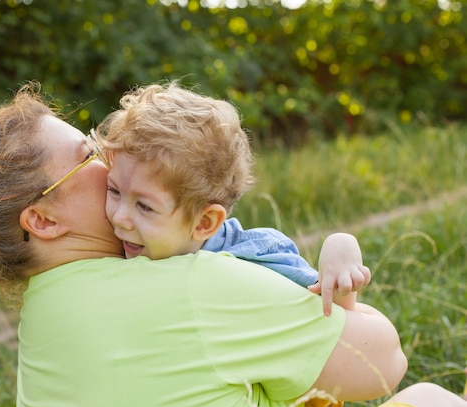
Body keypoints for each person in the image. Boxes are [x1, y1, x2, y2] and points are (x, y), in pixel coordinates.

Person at [0, 82, 464, 407]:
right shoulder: (190, 286)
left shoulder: (44, 318)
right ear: (44, 220)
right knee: (433, 402)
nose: (108, 165)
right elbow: (382, 362)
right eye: (88, 157)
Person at [98, 82, 369, 317]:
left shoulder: (252, 259)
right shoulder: (112, 243)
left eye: (144, 206)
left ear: (204, 222)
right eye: (114, 191)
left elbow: (335, 320)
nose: (119, 217)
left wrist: (340, 251)